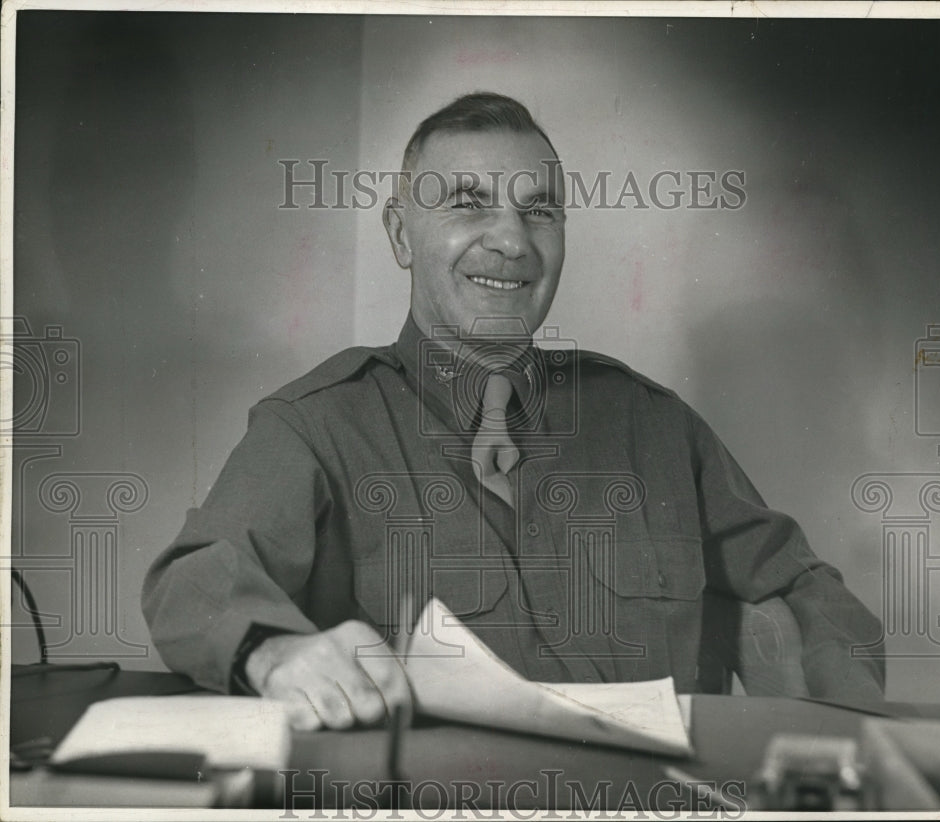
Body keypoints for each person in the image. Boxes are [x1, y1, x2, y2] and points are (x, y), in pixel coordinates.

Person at [142, 92, 885, 731]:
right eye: (468, 204)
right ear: (401, 234)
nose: (511, 241)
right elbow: (193, 581)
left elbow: (804, 590)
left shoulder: (655, 426)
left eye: (539, 210)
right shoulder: (315, 427)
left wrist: (841, 733)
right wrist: (272, 653)